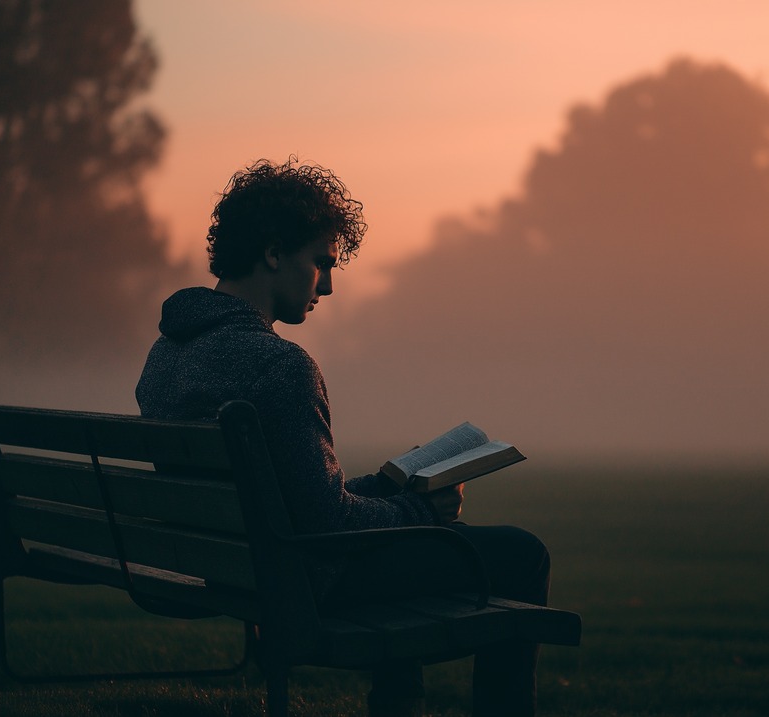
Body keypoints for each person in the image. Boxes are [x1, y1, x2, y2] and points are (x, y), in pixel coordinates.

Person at [136, 158, 549, 717]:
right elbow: (330, 527)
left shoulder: (168, 353)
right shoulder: (279, 366)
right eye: (321, 264)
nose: (327, 286)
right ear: (274, 253)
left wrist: (383, 487)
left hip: (231, 563)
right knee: (521, 553)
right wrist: (423, 511)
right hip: (295, 579)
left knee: (407, 535)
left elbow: (282, 498)